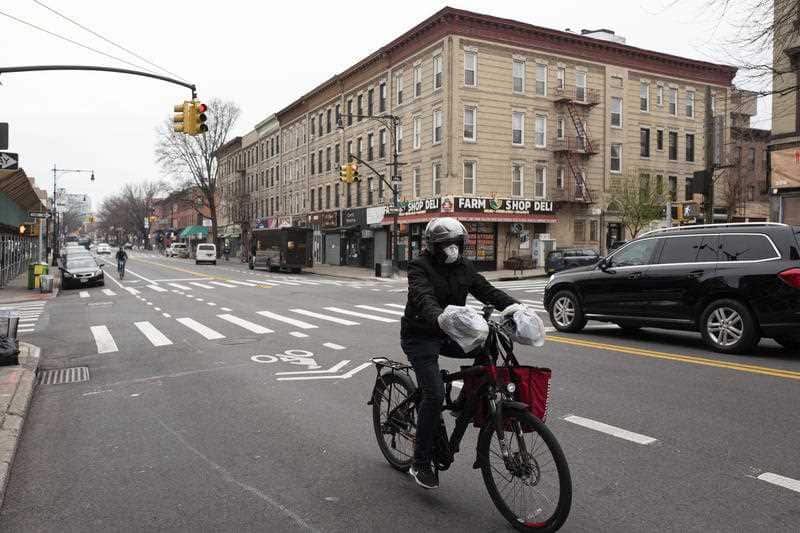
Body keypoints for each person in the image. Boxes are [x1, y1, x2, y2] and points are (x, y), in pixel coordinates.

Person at [401, 217, 519, 490]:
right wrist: (438, 316)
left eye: (456, 243)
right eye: (446, 244)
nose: (452, 248)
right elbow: (422, 296)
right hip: (420, 335)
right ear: (433, 246)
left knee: (488, 343)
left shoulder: (465, 267)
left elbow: (487, 291)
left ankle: (466, 397)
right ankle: (421, 462)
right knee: (434, 394)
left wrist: (517, 308)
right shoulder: (419, 266)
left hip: (450, 332)